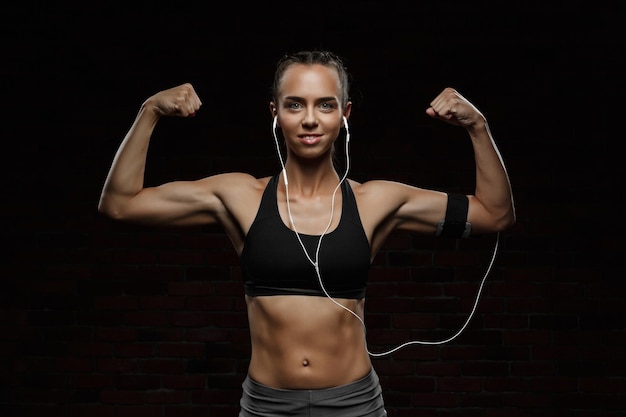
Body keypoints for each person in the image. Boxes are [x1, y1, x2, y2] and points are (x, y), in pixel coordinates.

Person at [98, 50, 515, 417]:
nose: (310, 119)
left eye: (325, 105)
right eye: (295, 104)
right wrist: (149, 110)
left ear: (345, 114)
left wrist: (477, 125)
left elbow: (495, 213)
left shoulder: (376, 202)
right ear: (274, 112)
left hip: (354, 405)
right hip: (267, 406)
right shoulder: (239, 195)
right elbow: (120, 203)